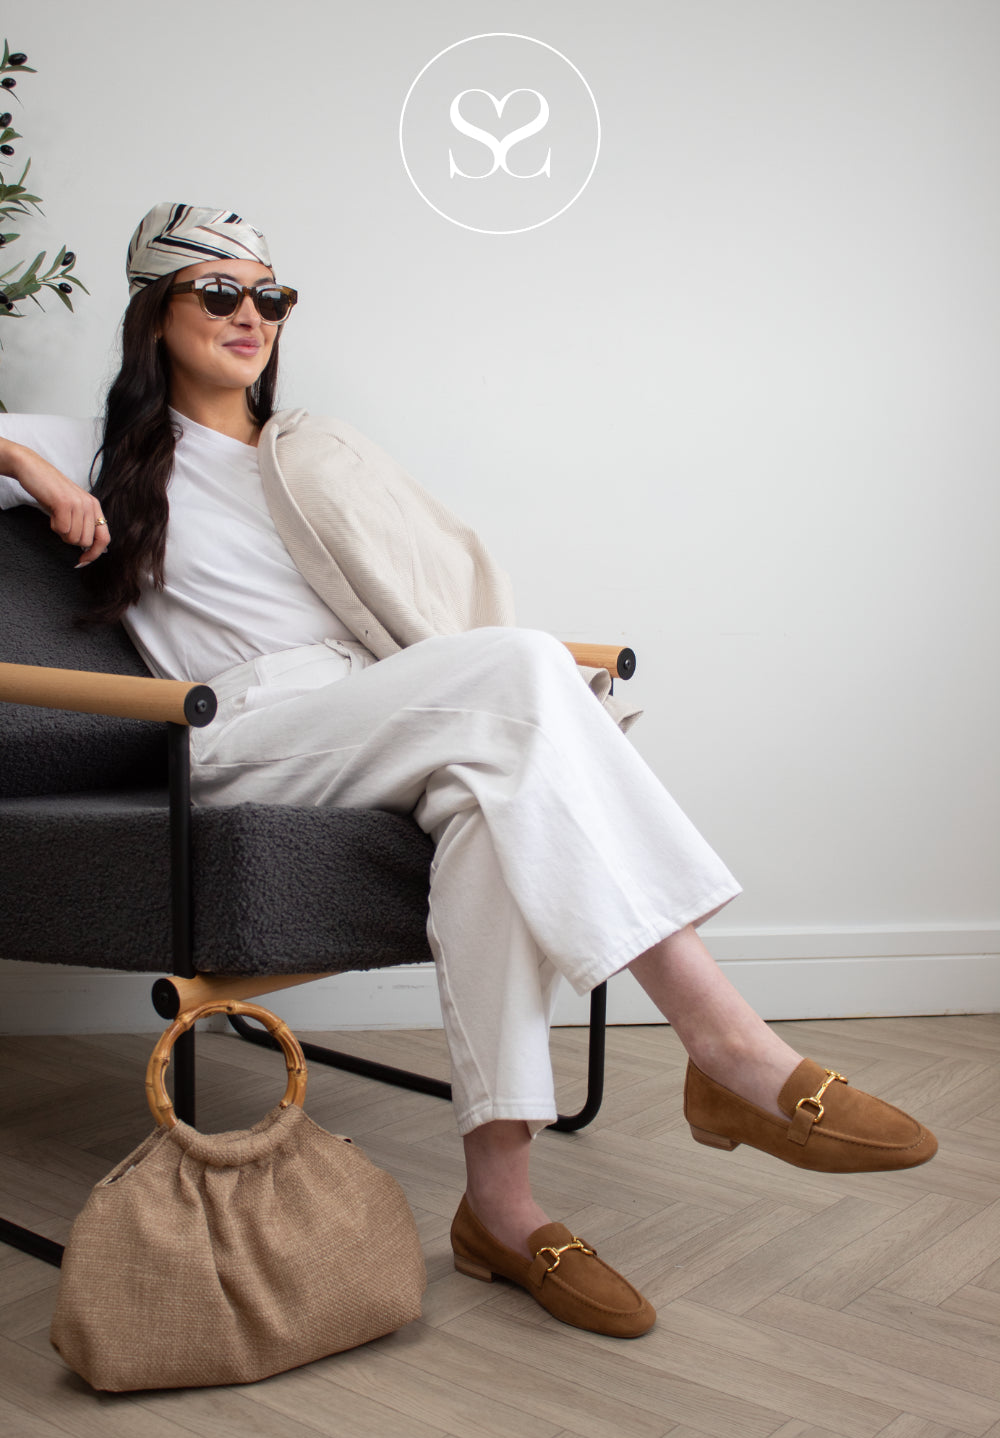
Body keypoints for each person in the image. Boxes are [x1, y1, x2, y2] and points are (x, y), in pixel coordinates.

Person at [0, 203, 937, 1339]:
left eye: (270, 297)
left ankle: (500, 1207)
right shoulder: (95, 448)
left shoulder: (311, 451)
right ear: (155, 313)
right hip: (239, 733)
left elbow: (416, 588)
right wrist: (34, 472)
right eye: (219, 294)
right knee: (521, 670)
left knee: (492, 810)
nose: (251, 317)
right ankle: (729, 1045)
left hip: (383, 703)